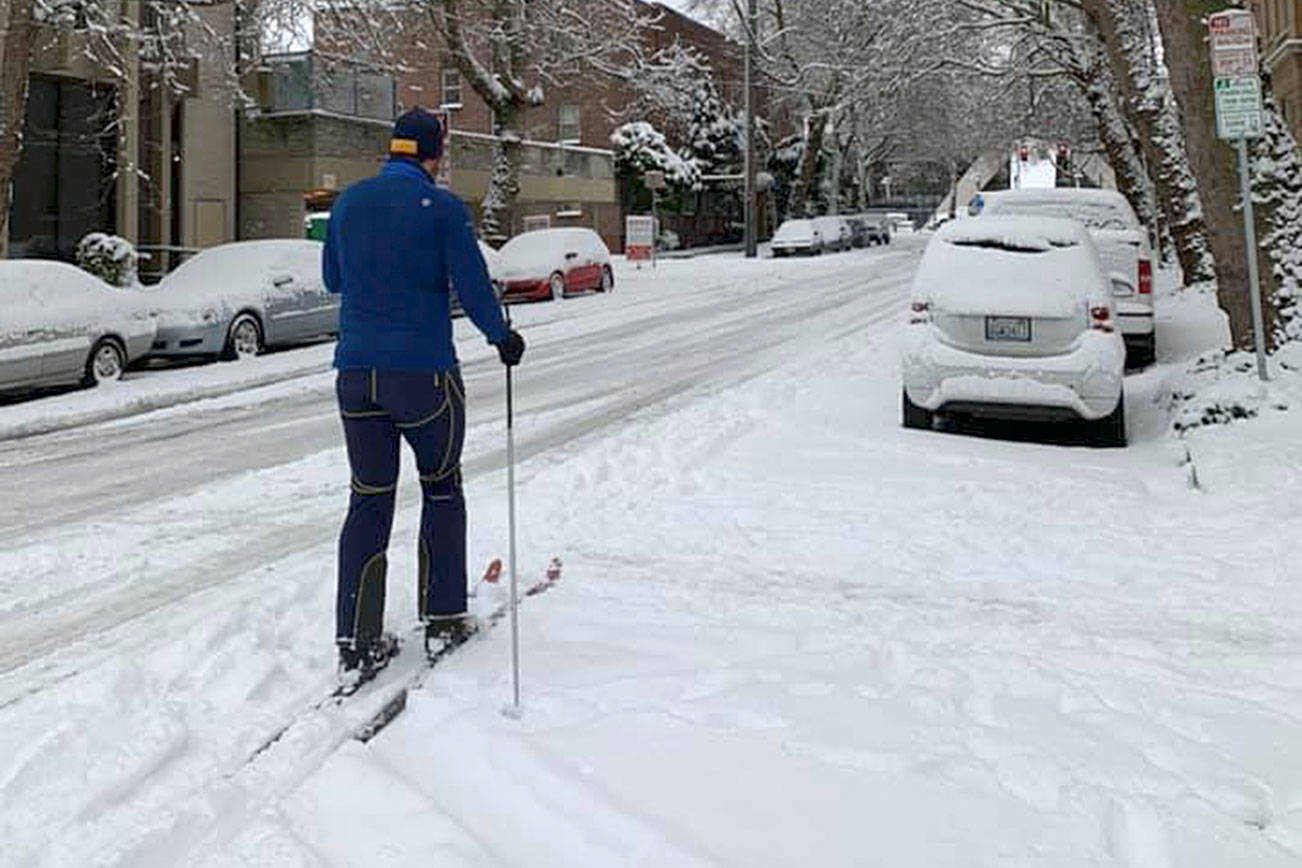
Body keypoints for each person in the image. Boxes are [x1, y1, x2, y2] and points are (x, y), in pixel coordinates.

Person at [322, 107, 526, 679]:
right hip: (424, 378)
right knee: (440, 489)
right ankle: (442, 618)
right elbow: (473, 286)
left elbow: (334, 280)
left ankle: (355, 636)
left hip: (356, 376)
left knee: (369, 496)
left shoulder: (348, 203)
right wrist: (502, 337)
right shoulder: (441, 210)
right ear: (434, 156)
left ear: (392, 151)